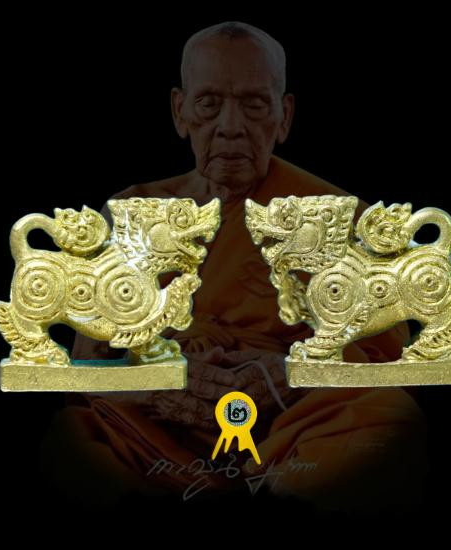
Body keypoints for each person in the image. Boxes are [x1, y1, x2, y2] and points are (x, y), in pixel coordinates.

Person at [43, 21, 426, 513]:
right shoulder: (132, 212)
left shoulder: (336, 214)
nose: (230, 126)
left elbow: (391, 365)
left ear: (284, 117)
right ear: (180, 111)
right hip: (161, 432)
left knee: (390, 419)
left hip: (294, 425)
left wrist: (291, 374)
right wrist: (159, 389)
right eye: (209, 104)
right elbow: (86, 374)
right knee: (71, 436)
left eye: (254, 105)